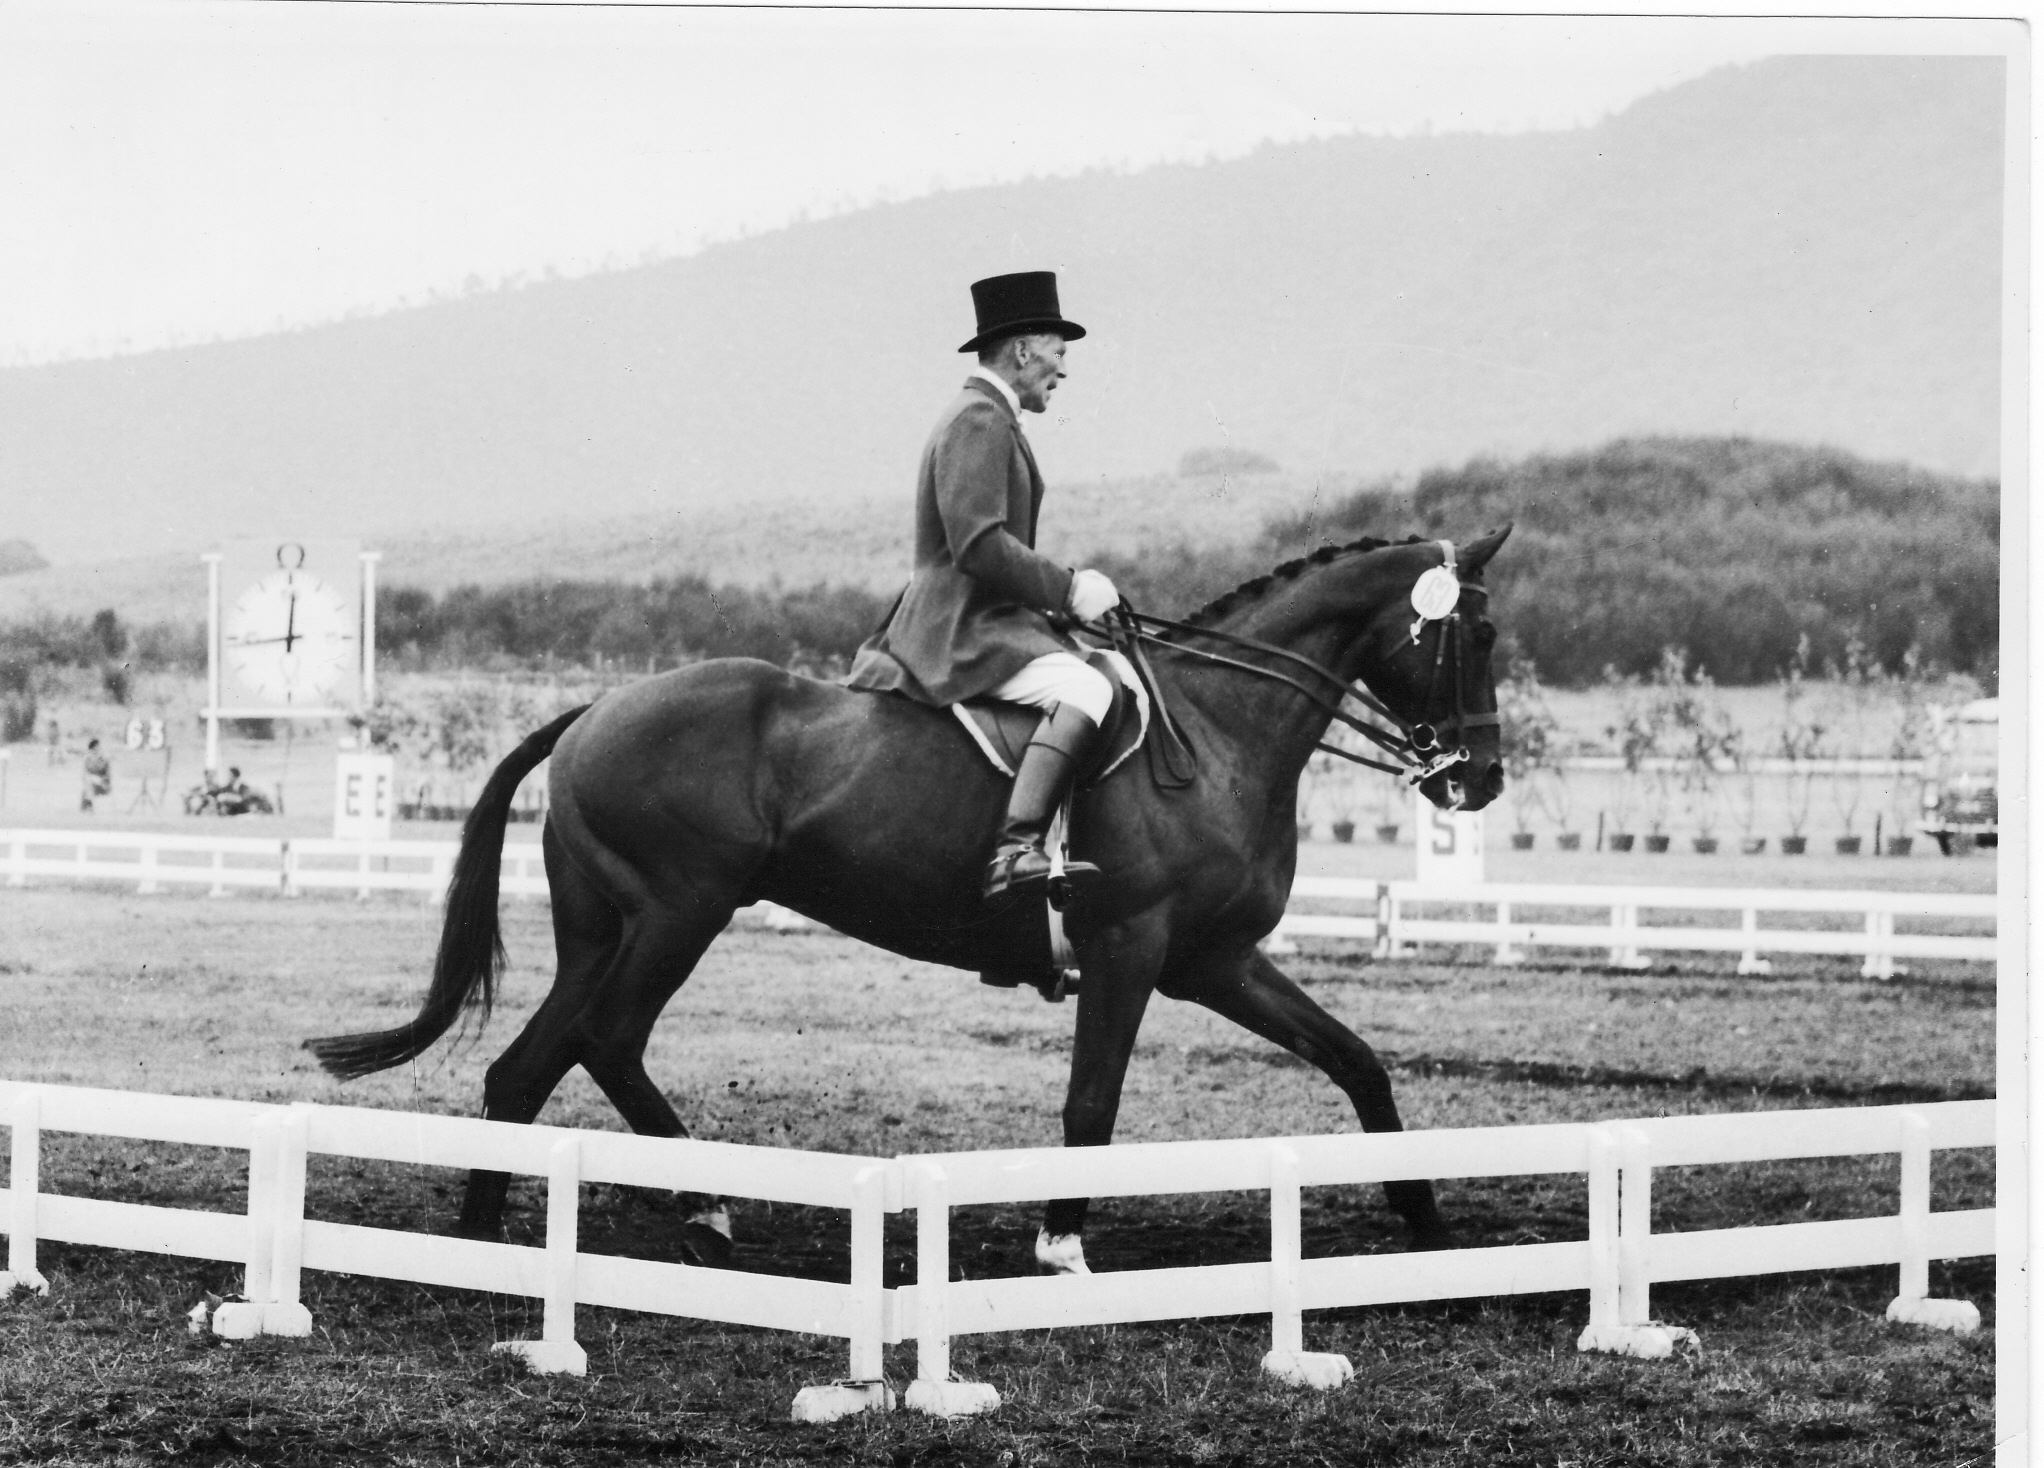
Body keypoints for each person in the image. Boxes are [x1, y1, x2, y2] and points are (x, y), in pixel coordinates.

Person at [847, 271, 1122, 901]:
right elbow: (978, 545)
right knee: (1084, 685)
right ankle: (1015, 851)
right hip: (961, 627)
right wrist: (1070, 588)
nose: (1063, 370)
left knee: (1096, 668)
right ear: (1023, 350)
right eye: (1059, 351)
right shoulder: (980, 419)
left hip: (987, 618)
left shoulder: (989, 415)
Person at [80, 738, 111, 813]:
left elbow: (105, 772)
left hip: (103, 783)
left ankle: (87, 805)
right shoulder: (89, 759)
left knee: (88, 781)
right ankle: (89, 805)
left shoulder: (103, 758)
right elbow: (85, 773)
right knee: (88, 782)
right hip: (92, 783)